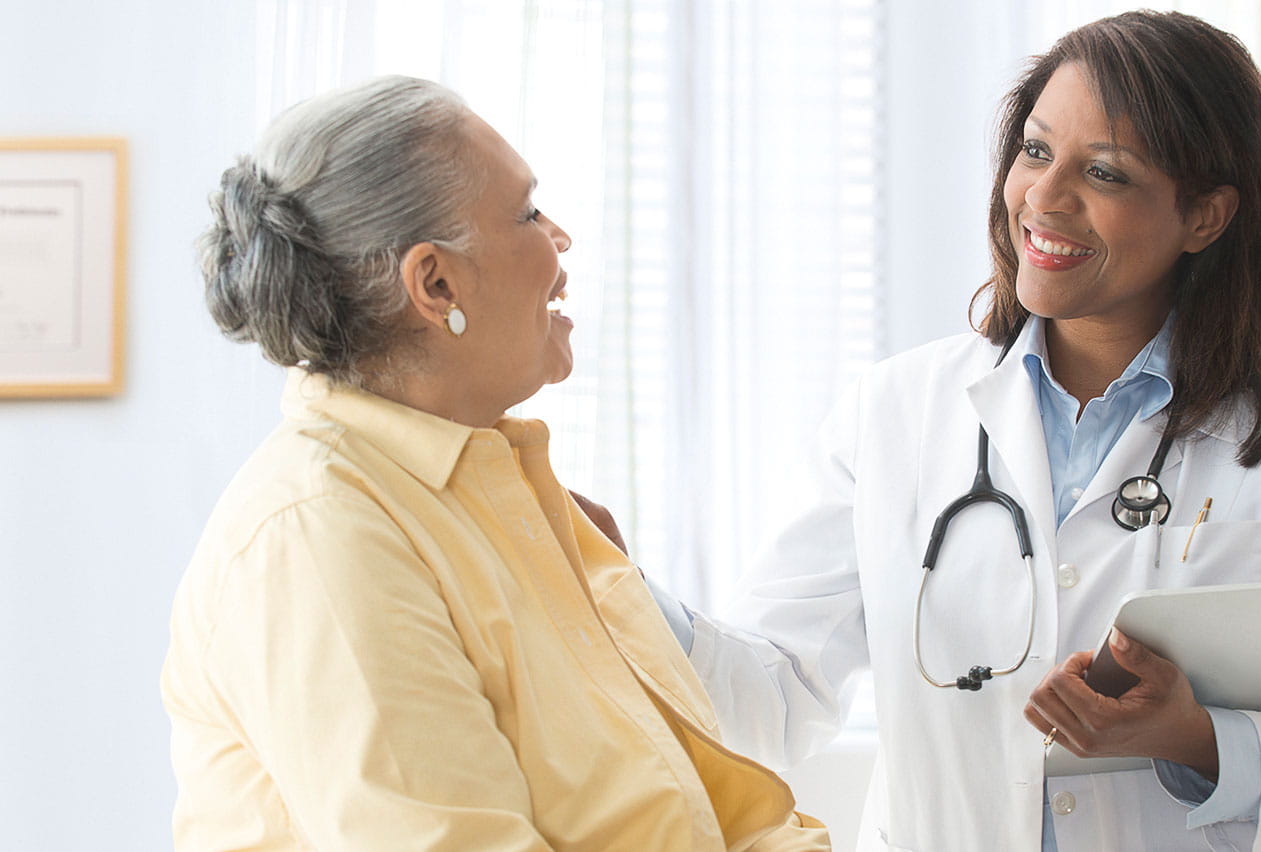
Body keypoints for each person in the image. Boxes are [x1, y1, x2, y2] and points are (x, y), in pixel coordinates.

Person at [634, 11, 1261, 851]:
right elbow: (770, 696)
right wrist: (612, 583)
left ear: (1205, 215)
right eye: (1035, 151)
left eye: (1105, 172)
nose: (1045, 200)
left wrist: (1194, 739)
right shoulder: (900, 411)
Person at [160, 75, 829, 852]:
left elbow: (713, 810)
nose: (561, 239)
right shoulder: (318, 536)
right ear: (436, 283)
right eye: (527, 213)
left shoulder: (517, 497)